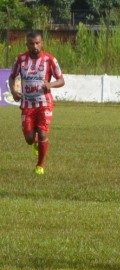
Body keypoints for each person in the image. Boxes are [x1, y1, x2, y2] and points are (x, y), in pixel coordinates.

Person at [9, 31, 65, 175]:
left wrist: (50, 85)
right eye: (32, 43)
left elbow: (61, 80)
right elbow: (12, 77)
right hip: (27, 104)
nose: (35, 46)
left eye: (37, 43)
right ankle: (34, 142)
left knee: (42, 134)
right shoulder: (20, 59)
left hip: (44, 103)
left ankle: (40, 166)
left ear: (42, 43)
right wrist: (14, 92)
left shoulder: (50, 60)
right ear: (27, 44)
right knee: (28, 138)